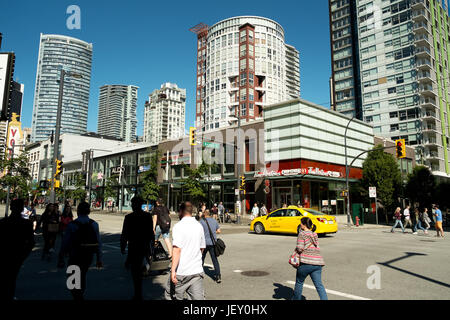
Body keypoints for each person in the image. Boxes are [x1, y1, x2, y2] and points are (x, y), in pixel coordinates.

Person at [59, 202, 103, 300]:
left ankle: (78, 296)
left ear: (78, 211)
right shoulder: (94, 224)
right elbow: (99, 242)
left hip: (75, 255)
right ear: (88, 211)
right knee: (82, 274)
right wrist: (99, 258)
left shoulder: (72, 225)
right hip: (88, 255)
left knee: (72, 279)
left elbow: (65, 242)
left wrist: (61, 256)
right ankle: (80, 293)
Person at [165, 201, 206, 300]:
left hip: (182, 272)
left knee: (170, 295)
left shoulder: (178, 226)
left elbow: (177, 249)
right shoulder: (199, 226)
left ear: (181, 211)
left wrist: (173, 270)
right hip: (196, 270)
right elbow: (202, 247)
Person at [0, 199, 35, 300]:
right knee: (12, 278)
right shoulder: (27, 224)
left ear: (10, 207)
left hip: (4, 254)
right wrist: (23, 256)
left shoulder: (3, 222)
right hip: (17, 255)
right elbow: (31, 243)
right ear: (21, 209)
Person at [120, 196, 154, 300]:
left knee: (135, 271)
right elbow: (150, 233)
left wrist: (123, 246)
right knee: (140, 267)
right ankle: (138, 292)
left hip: (133, 246)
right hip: (144, 245)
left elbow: (124, 234)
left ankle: (138, 293)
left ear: (133, 205)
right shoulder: (147, 216)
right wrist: (151, 245)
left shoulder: (129, 217)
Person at [292, 217, 327, 300]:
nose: (300, 224)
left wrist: (296, 250)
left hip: (305, 262)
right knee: (319, 286)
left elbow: (300, 248)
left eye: (301, 223)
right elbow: (317, 247)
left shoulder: (302, 234)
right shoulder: (314, 234)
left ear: (304, 225)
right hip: (317, 263)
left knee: (299, 282)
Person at [199, 209, 222, 283]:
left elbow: (198, 232)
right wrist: (213, 232)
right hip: (212, 243)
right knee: (214, 260)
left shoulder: (202, 222)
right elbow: (219, 231)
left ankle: (199, 275)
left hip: (204, 243)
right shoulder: (214, 221)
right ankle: (218, 276)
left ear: (204, 214)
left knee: (201, 259)